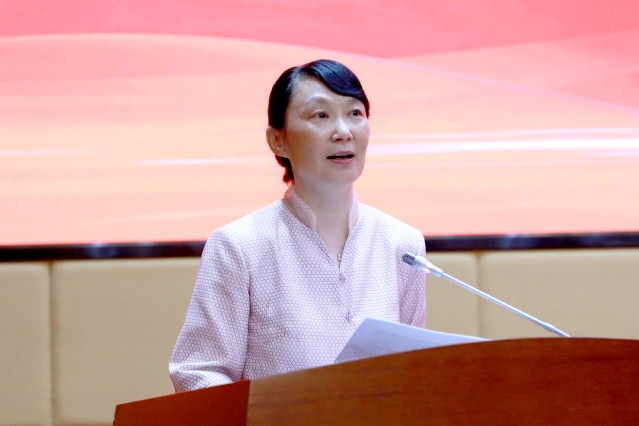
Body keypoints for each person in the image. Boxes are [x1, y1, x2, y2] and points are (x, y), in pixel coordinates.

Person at [169, 59, 426, 392]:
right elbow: (199, 372)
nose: (343, 131)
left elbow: (411, 371)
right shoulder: (239, 246)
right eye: (320, 115)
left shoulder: (403, 245)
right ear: (278, 140)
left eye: (355, 113)